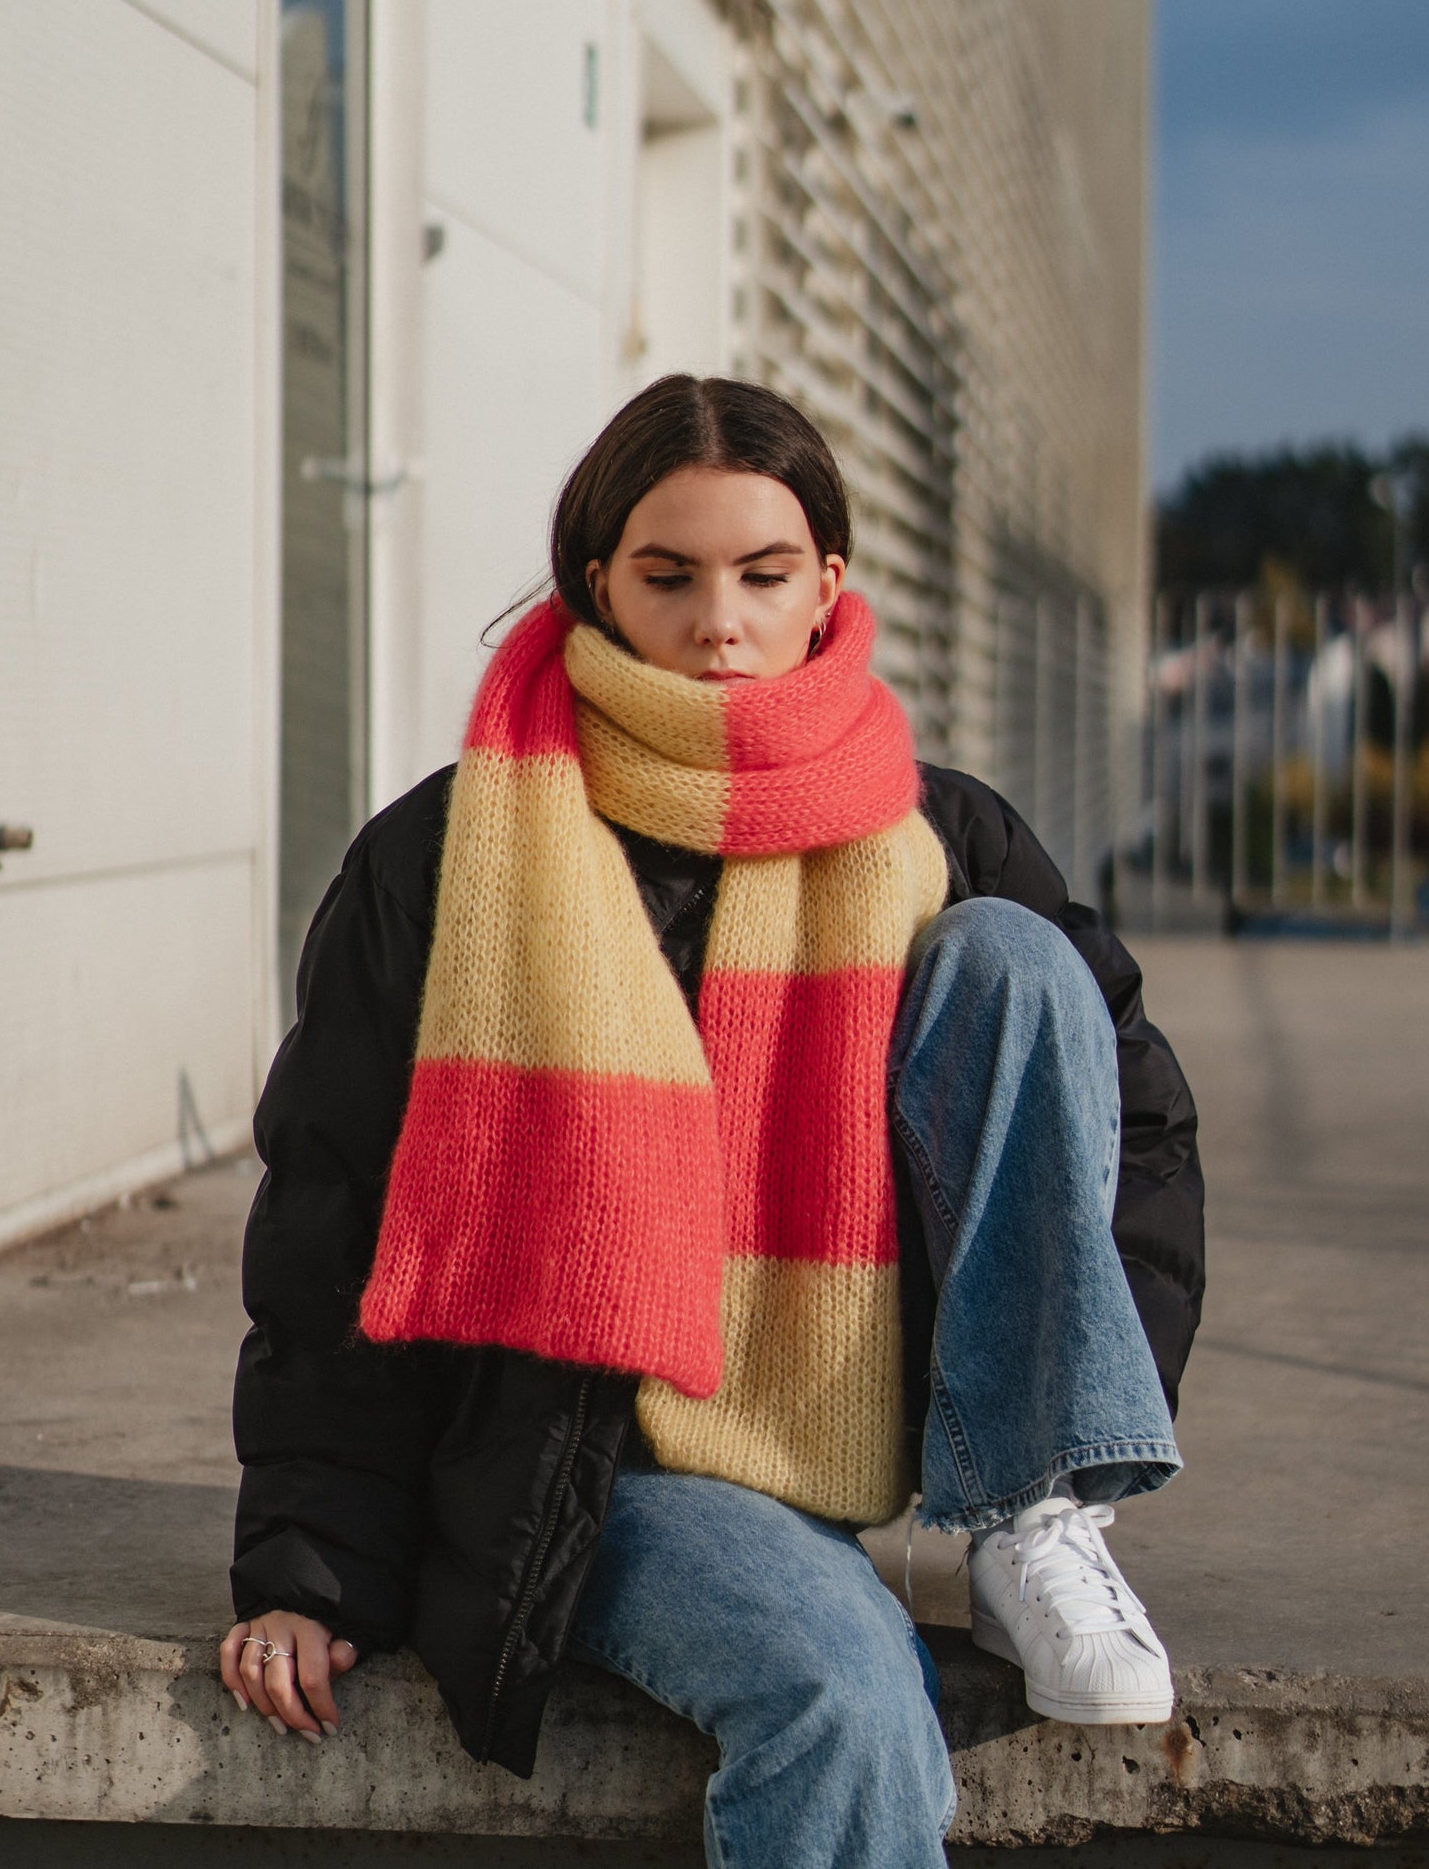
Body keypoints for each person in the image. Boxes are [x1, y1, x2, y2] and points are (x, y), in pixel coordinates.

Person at [221, 376, 1202, 1868]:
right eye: (667, 577)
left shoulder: (939, 833)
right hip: (599, 1458)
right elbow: (333, 1204)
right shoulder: (452, 849)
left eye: (761, 575)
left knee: (1016, 959)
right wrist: (311, 1558)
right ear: (596, 583)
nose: (718, 624)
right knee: (849, 1698)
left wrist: (1050, 1403)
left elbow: (1118, 1139)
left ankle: (1034, 1513)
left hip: (861, 1422)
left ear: (828, 587)